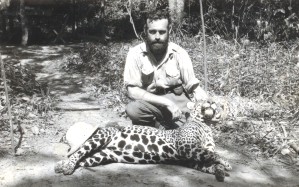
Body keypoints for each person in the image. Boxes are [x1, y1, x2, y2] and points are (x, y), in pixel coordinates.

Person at [123, 10, 208, 129]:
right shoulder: (135, 54)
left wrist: (209, 105)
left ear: (169, 31)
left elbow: (193, 86)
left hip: (177, 103)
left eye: (162, 32)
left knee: (189, 132)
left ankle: (165, 127)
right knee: (133, 110)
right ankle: (158, 128)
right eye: (152, 32)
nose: (157, 37)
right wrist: (167, 103)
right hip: (150, 102)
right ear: (145, 31)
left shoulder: (179, 53)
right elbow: (132, 91)